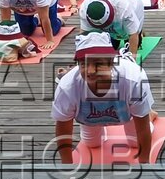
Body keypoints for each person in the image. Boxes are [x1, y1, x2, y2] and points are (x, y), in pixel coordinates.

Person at [51, 33, 157, 163]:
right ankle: (103, 120)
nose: (90, 71)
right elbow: (63, 130)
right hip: (90, 117)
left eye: (98, 64)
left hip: (128, 114)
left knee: (134, 142)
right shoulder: (67, 86)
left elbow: (142, 129)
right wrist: (66, 167)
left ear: (111, 62)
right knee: (91, 144)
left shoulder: (134, 79)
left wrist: (144, 165)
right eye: (84, 64)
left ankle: (148, 114)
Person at [81, 0, 145, 57]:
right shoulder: (85, 8)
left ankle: (140, 31)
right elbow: (83, 34)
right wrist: (81, 57)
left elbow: (133, 34)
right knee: (108, 49)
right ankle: (114, 37)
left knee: (130, 48)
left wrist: (132, 61)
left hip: (133, 2)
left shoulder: (124, 8)